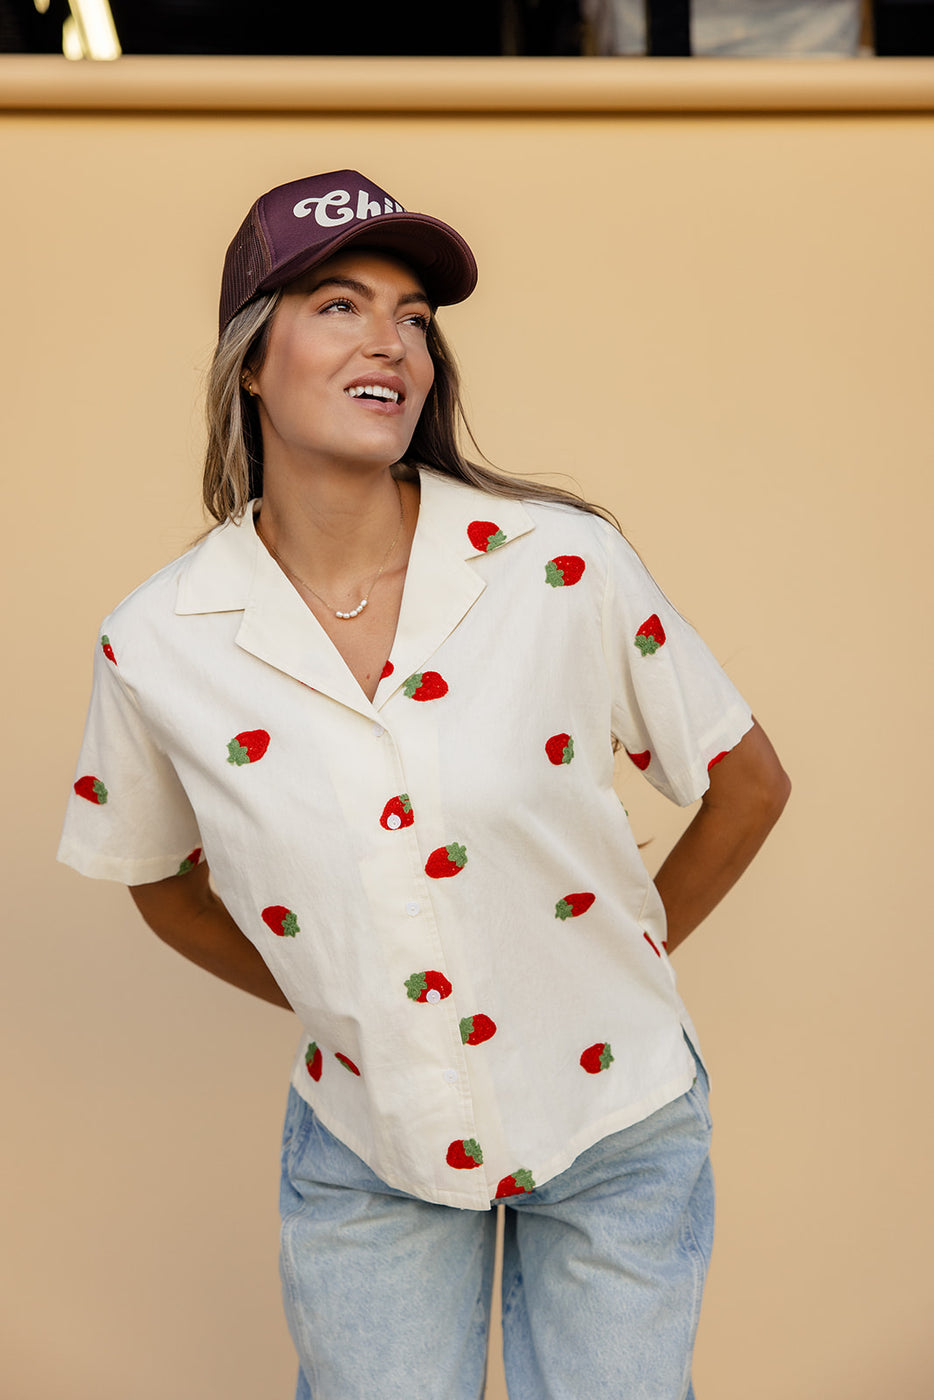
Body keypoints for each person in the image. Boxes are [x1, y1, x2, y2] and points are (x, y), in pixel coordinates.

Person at [58, 169, 790, 1400]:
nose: (390, 341)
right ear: (249, 361)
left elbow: (748, 782)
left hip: (616, 1112)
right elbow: (156, 878)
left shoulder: (557, 565)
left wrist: (616, 951)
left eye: (413, 316)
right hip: (370, 1131)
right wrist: (346, 990)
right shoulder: (160, 640)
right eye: (340, 305)